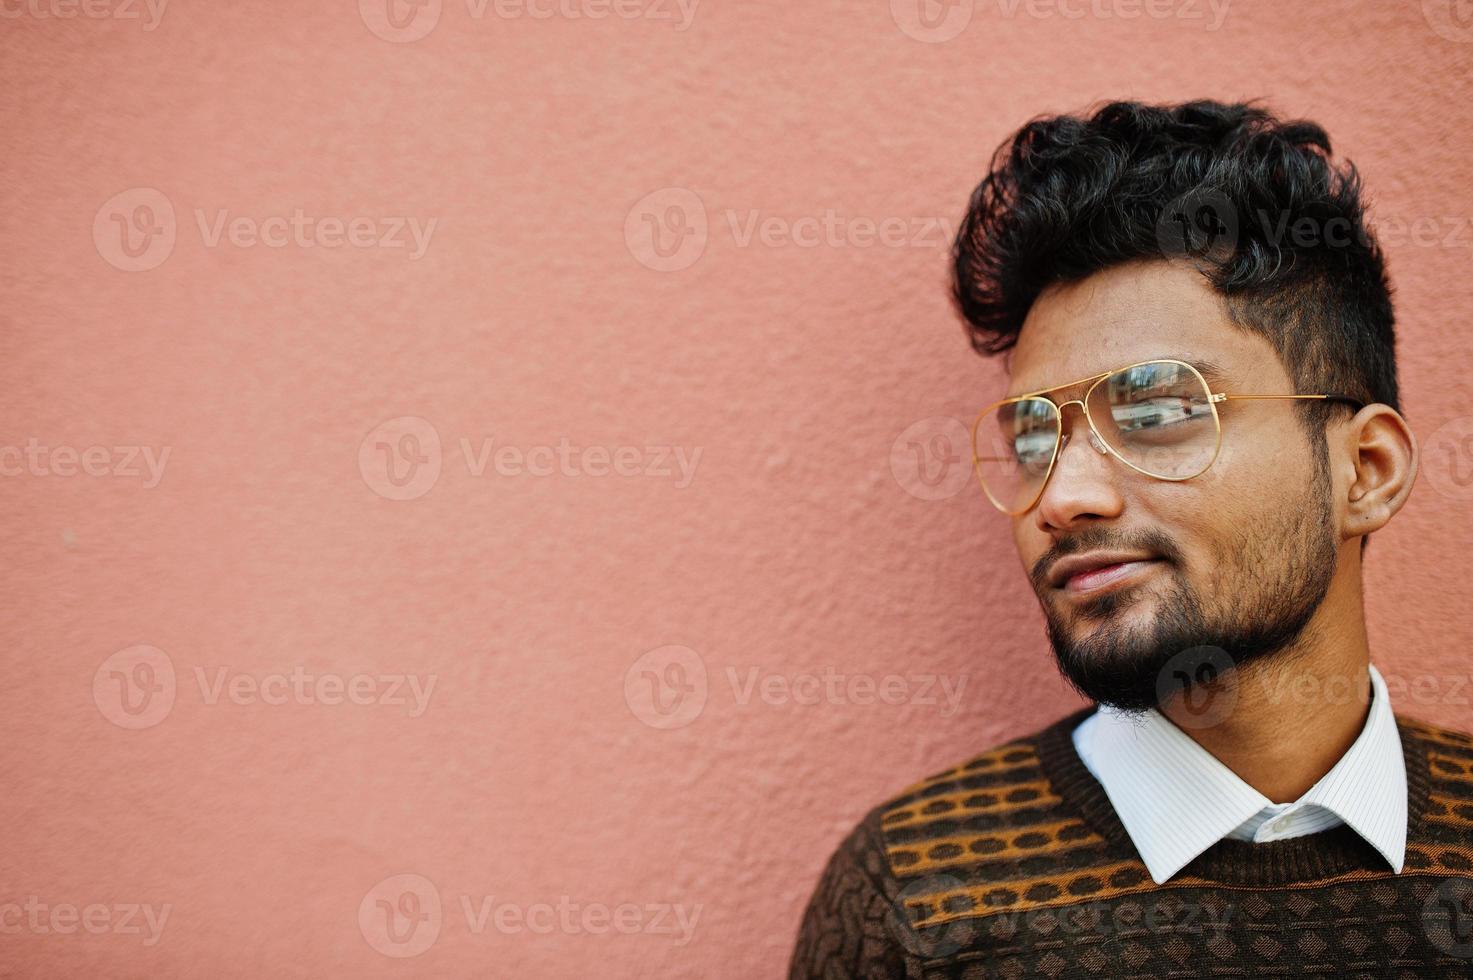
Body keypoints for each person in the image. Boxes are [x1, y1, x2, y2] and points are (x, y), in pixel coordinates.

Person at [788, 99, 1473, 978]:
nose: (1059, 497)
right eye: (1033, 436)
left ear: (1366, 471)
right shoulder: (916, 900)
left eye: (1155, 410)